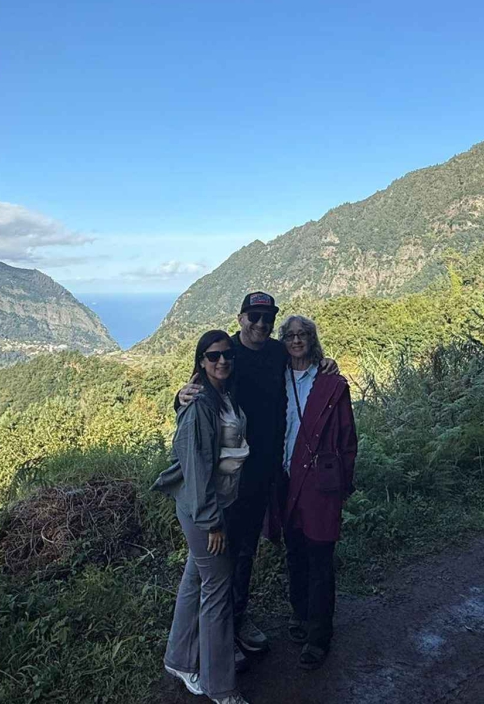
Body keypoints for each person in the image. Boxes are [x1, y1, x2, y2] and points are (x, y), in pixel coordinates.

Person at [176, 291, 338, 662]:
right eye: (254, 317)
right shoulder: (226, 353)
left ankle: (236, 620)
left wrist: (326, 363)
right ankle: (217, 633)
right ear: (241, 318)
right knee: (224, 553)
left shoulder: (279, 352)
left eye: (268, 318)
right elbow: (198, 391)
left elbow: (306, 362)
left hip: (271, 470)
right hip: (231, 476)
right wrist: (179, 396)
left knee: (248, 548)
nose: (261, 324)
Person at [155, 330, 253, 704]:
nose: (222, 361)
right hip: (203, 510)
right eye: (213, 356)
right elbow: (196, 468)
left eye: (227, 354)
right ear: (201, 361)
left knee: (196, 578)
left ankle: (179, 659)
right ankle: (220, 687)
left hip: (215, 503)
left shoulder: (223, 394)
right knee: (217, 591)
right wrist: (211, 521)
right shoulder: (199, 405)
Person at [273, 314, 356, 670]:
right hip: (284, 480)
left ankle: (318, 636)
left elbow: (348, 438)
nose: (296, 341)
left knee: (320, 557)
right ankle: (301, 614)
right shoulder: (275, 379)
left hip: (320, 483)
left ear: (312, 339)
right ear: (282, 341)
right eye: (289, 335)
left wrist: (343, 485)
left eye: (302, 334)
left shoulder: (331, 384)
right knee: (295, 553)